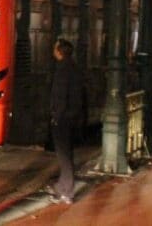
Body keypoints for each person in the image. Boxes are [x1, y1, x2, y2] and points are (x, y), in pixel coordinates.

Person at [47, 38, 83, 204]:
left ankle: (66, 191)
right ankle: (62, 186)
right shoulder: (75, 68)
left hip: (62, 118)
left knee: (63, 155)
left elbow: (60, 95)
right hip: (73, 116)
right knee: (67, 152)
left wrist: (56, 116)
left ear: (59, 51)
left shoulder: (62, 69)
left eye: (55, 48)